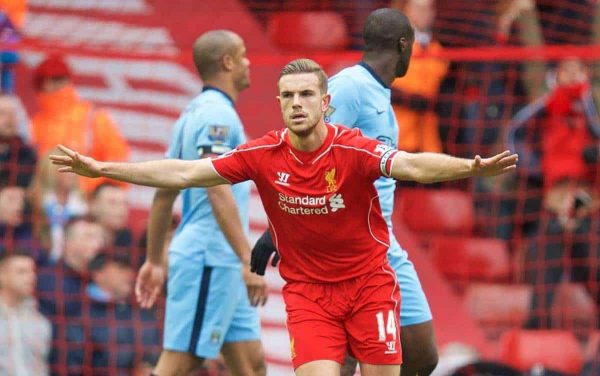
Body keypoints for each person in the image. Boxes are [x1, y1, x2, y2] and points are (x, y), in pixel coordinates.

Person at [50, 58, 518, 376]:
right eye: (287, 95)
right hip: (310, 295)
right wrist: (102, 167)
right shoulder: (262, 154)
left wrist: (470, 166)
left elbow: (413, 165)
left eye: (305, 95)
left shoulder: (353, 148)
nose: (296, 103)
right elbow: (186, 172)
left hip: (370, 286)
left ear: (324, 102)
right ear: (279, 103)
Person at [252, 8, 439, 376]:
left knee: (421, 355)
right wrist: (277, 231)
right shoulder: (349, 87)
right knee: (350, 359)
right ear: (404, 45)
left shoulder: (380, 93)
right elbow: (302, 152)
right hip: (351, 249)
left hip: (384, 243)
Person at [133, 30, 267, 376]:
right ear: (227, 63)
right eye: (243, 54)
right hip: (210, 258)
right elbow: (216, 188)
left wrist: (154, 260)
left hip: (218, 260)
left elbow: (165, 191)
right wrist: (247, 260)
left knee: (251, 364)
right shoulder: (215, 118)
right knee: (183, 361)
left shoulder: (194, 112)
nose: (249, 62)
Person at [29, 53, 129, 194]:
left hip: (87, 203)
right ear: (42, 84)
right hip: (46, 203)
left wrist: (88, 190)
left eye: (61, 79)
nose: (58, 85)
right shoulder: (35, 124)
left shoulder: (94, 118)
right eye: (53, 79)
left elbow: (118, 164)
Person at [0, 249, 51, 376]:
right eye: (21, 272)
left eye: (32, 272)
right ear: (2, 275)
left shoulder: (40, 322)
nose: (31, 277)